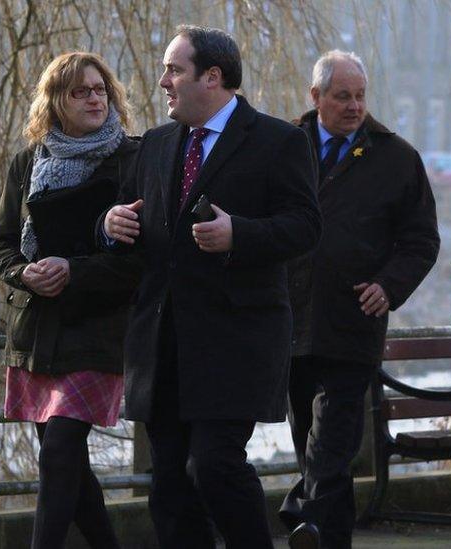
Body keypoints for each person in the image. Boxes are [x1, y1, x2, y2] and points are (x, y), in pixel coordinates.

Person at [101, 25, 320, 549]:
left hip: (236, 342)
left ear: (213, 77)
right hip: (163, 344)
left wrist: (237, 234)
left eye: (174, 70)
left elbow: (305, 227)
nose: (163, 81)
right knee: (170, 485)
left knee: (214, 467)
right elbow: (133, 226)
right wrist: (108, 226)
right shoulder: (153, 145)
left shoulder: (278, 141)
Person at [280, 50, 440, 549]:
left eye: (360, 96)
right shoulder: (284, 147)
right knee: (315, 446)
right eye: (342, 96)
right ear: (316, 97)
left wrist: (389, 286)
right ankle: (328, 537)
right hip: (290, 324)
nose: (354, 107)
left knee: (330, 444)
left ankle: (299, 513)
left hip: (352, 324)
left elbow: (421, 241)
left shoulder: (396, 158)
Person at [0, 51, 141, 549]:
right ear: (56, 102)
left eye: (100, 89)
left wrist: (73, 271)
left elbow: (140, 261)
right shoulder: (27, 162)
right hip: (38, 332)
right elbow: (1, 241)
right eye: (80, 91)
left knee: (58, 455)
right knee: (68, 468)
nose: (94, 98)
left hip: (100, 328)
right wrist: (25, 273)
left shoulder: (131, 160)